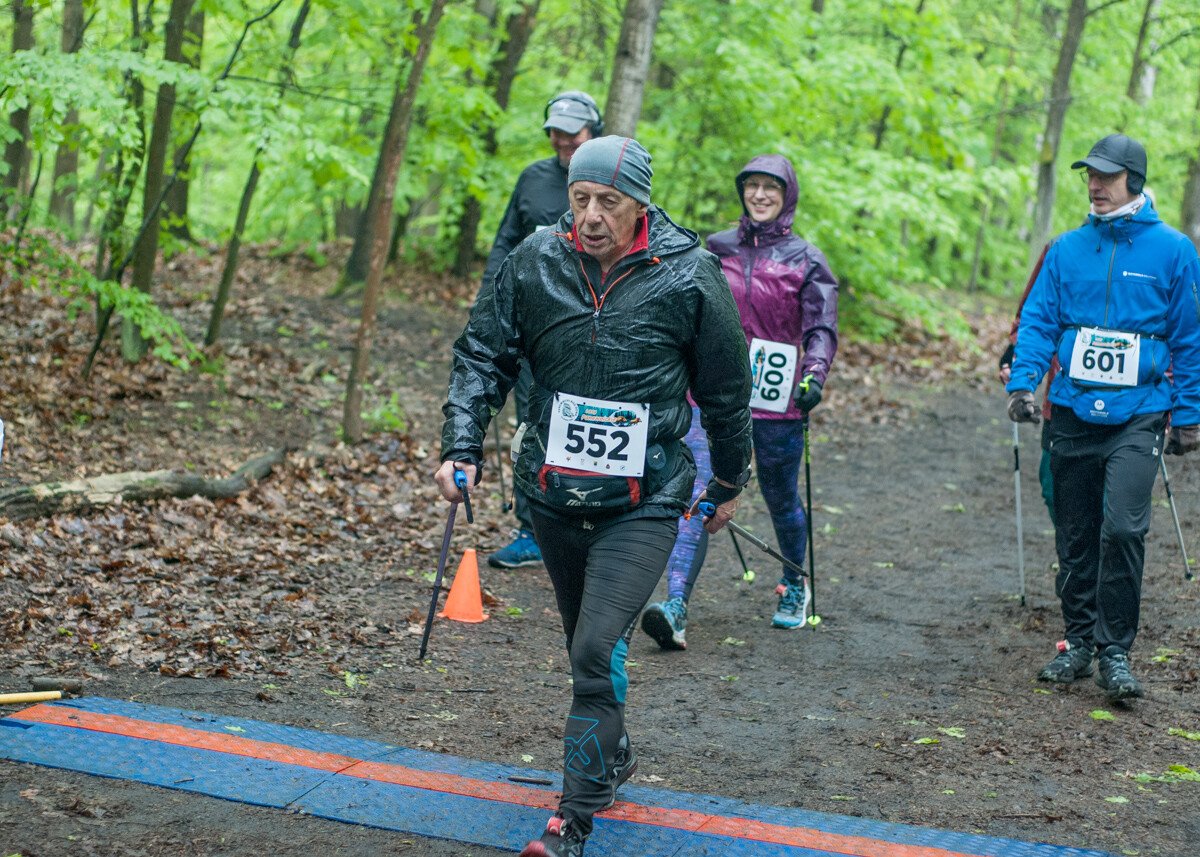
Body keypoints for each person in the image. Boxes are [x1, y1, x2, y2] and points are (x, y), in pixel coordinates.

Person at [435, 136, 754, 857]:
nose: (591, 215)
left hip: (645, 499)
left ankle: (571, 823)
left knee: (593, 647)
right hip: (551, 495)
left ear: (640, 204)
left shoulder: (689, 274)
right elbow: (482, 354)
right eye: (580, 199)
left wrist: (729, 480)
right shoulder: (535, 261)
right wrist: (461, 445)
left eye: (608, 201)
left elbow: (727, 389)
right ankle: (613, 755)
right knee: (587, 648)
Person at [1007, 133, 1200, 702]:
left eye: (1107, 176)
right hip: (1071, 410)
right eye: (1090, 175)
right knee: (1075, 534)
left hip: (1140, 414)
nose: (1094, 185)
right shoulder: (1066, 249)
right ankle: (1078, 643)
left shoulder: (1174, 250)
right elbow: (1039, 320)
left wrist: (1189, 415)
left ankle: (1115, 651)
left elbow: (1189, 338)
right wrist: (1023, 383)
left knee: (1123, 528)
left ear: (1134, 181)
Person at [641, 154, 838, 648]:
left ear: (787, 195)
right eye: (752, 185)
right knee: (697, 491)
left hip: (776, 399)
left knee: (779, 496)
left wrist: (814, 374)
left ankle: (794, 583)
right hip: (713, 394)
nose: (760, 195)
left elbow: (821, 327)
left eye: (771, 187)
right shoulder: (717, 247)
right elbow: (687, 308)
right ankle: (675, 605)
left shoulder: (807, 259)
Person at [481, 90, 604, 569]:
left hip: (592, 326)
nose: (562, 140)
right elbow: (506, 243)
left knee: (585, 419)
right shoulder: (532, 178)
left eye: (572, 132)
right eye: (555, 131)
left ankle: (594, 521)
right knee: (531, 423)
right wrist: (488, 303)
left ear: (593, 129)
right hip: (532, 324)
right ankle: (532, 531)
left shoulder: (610, 181)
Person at [999, 246, 1057, 524]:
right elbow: (1033, 313)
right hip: (1063, 399)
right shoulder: (1060, 248)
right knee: (1053, 487)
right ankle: (1073, 552)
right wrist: (1012, 354)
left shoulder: (1158, 251)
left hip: (1134, 406)